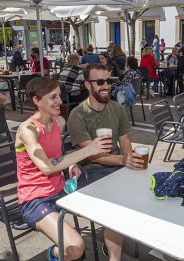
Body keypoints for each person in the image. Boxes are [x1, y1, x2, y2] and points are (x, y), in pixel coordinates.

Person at [15, 77, 112, 261]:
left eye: (59, 96)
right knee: (76, 248)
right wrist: (89, 150)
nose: (60, 101)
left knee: (111, 205)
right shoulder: (27, 130)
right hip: (35, 199)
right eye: (53, 97)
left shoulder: (58, 122)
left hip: (61, 190)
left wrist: (72, 164)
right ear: (37, 100)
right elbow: (47, 167)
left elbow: (57, 154)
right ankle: (53, 253)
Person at [68, 63, 145, 261]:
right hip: (90, 172)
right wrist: (123, 159)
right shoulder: (77, 115)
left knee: (148, 189)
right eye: (100, 82)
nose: (106, 86)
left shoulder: (117, 108)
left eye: (108, 81)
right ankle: (114, 257)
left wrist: (131, 162)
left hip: (116, 169)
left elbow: (124, 140)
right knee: (117, 203)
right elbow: (91, 154)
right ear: (87, 85)